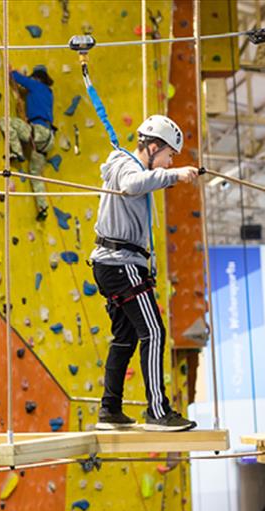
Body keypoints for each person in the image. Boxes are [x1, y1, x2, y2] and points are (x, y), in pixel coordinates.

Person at [89, 115, 199, 432]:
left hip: (116, 264)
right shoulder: (126, 165)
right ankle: (158, 411)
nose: (168, 162)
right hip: (119, 263)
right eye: (168, 156)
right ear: (153, 147)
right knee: (153, 332)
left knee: (125, 337)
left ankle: (110, 409)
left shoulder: (134, 167)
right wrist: (173, 175)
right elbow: (131, 185)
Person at [3, 64, 55, 221]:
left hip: (37, 132)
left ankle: (17, 152)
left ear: (37, 77)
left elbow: (18, 78)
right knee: (35, 175)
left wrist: (11, 70)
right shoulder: (49, 94)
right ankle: (43, 207)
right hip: (48, 139)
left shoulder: (36, 85)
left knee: (5, 122)